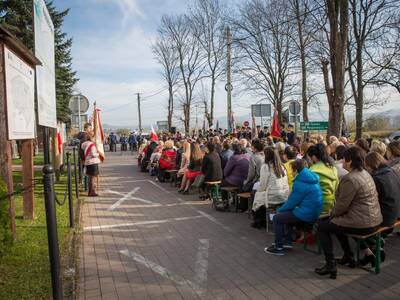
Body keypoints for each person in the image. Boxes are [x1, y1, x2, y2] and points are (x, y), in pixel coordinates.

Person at [315, 147, 382, 279]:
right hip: (374, 220)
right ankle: (349, 256)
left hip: (363, 223)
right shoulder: (366, 173)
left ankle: (330, 264)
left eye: (344, 160)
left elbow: (341, 206)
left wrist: (330, 213)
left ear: (350, 161)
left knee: (322, 226)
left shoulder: (350, 179)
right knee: (336, 223)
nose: (342, 163)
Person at [265, 159, 323, 255]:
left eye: (292, 170)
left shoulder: (300, 182)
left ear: (296, 170)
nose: (291, 172)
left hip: (307, 214)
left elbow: (291, 202)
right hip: (314, 211)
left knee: (277, 218)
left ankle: (278, 247)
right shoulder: (310, 178)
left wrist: (279, 210)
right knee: (287, 215)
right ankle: (287, 242)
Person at [360, 152, 400, 266]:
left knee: (352, 224)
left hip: (386, 217)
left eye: (367, 165)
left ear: (371, 165)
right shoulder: (392, 172)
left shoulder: (376, 178)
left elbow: (371, 202)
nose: (366, 168)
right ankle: (373, 250)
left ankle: (372, 251)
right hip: (396, 212)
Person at [252, 147, 290, 229]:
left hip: (273, 196)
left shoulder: (266, 167)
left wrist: (259, 191)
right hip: (284, 196)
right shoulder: (282, 166)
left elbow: (262, 184)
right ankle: (262, 219)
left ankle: (259, 221)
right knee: (259, 196)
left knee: (256, 195)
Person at [307, 144, 339, 216]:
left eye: (309, 158)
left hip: (316, 207)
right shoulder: (333, 169)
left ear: (314, 157)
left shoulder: (311, 170)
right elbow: (337, 189)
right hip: (331, 206)